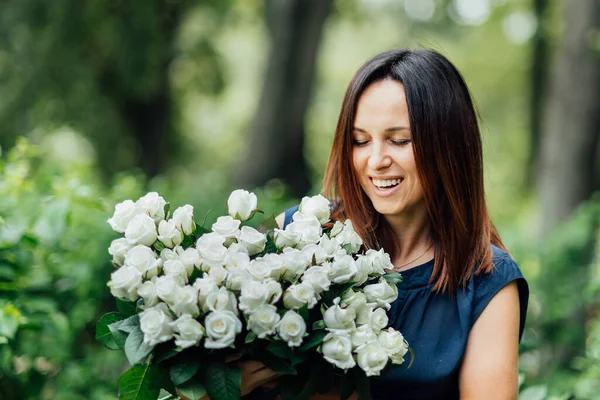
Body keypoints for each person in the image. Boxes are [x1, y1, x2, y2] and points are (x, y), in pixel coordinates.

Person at [274, 48, 529, 399]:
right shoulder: (300, 234)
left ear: (448, 144)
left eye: (400, 140)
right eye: (360, 141)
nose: (376, 160)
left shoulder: (487, 283)